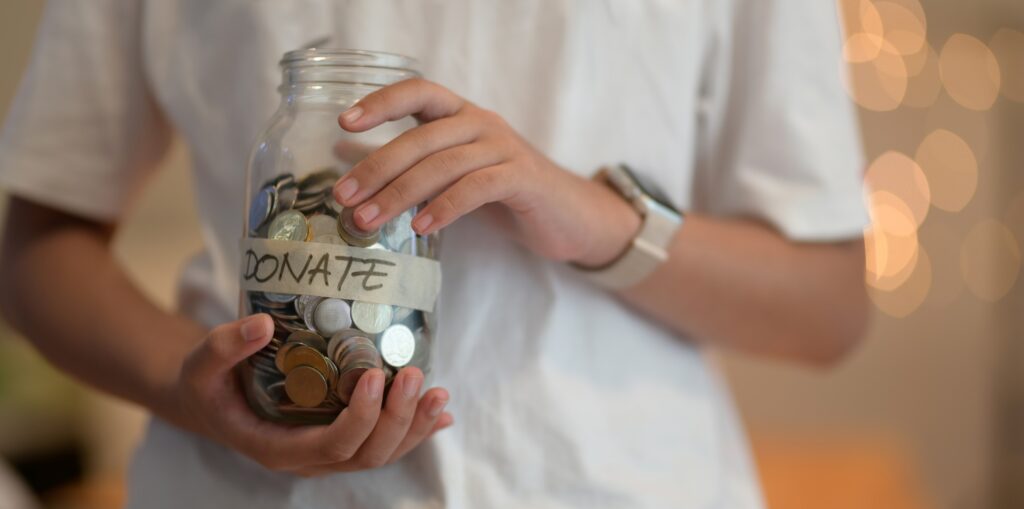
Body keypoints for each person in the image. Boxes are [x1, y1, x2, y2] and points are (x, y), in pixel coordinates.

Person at [0, 1, 869, 508]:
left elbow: (829, 305)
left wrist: (594, 216)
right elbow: (36, 244)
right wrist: (192, 389)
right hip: (241, 484)